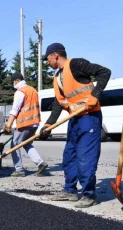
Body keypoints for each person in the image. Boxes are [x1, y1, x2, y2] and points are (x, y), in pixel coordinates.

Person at [40, 43, 111, 208]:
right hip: (74, 119)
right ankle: (70, 191)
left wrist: (95, 96)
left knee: (85, 157)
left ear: (55, 55)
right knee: (69, 156)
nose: (47, 62)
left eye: (48, 58)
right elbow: (59, 103)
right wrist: (49, 123)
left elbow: (104, 72)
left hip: (89, 117)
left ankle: (89, 194)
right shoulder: (57, 78)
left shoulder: (76, 64)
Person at [5, 72, 48, 177]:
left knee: (14, 145)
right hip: (34, 123)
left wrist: (8, 124)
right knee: (26, 143)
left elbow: (15, 110)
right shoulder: (33, 90)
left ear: (17, 81)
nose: (13, 84)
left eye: (13, 82)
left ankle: (19, 170)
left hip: (25, 123)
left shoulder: (20, 91)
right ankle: (40, 163)